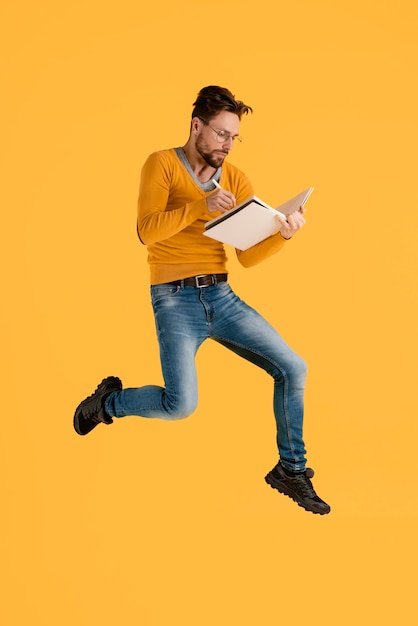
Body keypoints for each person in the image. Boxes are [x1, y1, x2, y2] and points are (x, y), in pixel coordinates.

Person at [73, 85, 330, 515]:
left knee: (293, 367)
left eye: (234, 137)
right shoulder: (161, 165)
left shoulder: (236, 178)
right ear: (197, 126)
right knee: (181, 406)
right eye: (221, 134)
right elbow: (147, 231)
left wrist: (281, 236)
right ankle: (108, 403)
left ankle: (291, 469)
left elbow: (247, 257)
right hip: (174, 300)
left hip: (222, 296)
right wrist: (200, 206)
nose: (228, 146)